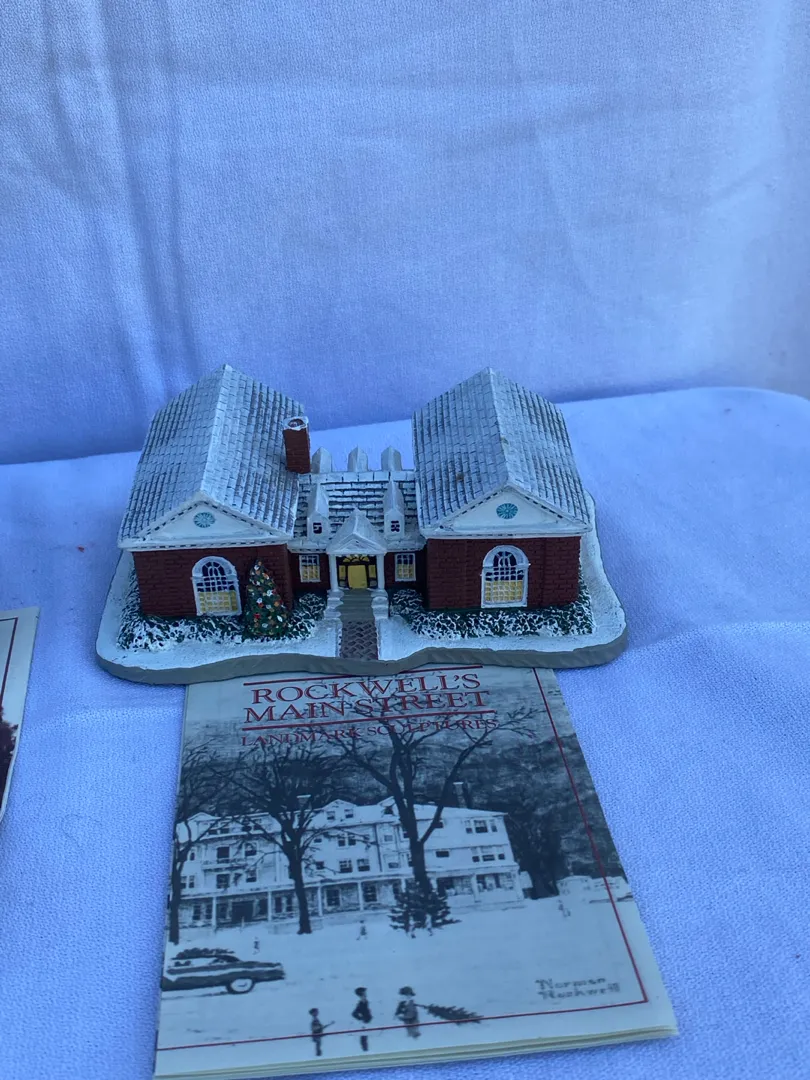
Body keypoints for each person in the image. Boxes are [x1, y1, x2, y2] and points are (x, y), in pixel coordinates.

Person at [351, 987, 372, 1052]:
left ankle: (365, 1049)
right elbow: (354, 1013)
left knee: (364, 1036)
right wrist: (361, 1018)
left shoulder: (364, 1002)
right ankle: (365, 1049)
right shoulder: (361, 1003)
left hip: (366, 1021)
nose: (365, 994)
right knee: (363, 1036)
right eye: (364, 993)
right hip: (364, 1022)